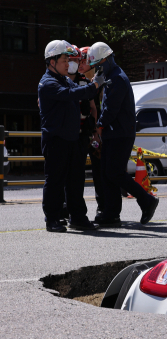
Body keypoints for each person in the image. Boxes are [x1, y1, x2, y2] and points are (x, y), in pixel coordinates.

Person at [88, 41, 159, 226]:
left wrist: (99, 126)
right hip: (114, 133)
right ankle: (111, 214)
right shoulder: (111, 75)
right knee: (107, 173)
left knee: (115, 172)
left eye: (99, 65)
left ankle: (146, 200)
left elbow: (111, 108)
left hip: (120, 133)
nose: (98, 69)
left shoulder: (117, 78)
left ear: (107, 59)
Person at [38, 40, 103, 232]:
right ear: (52, 61)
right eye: (64, 59)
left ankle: (78, 218)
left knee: (76, 180)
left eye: (68, 59)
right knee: (55, 180)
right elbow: (70, 94)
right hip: (56, 139)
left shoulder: (64, 79)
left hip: (73, 138)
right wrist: (94, 86)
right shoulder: (48, 83)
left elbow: (76, 92)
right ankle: (52, 219)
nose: (68, 63)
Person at [77, 46, 107, 218]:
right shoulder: (75, 79)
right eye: (78, 61)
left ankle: (102, 207)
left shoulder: (102, 80)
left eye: (84, 61)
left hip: (97, 131)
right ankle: (74, 208)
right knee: (76, 171)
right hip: (82, 131)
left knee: (99, 171)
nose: (80, 64)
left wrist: (98, 130)